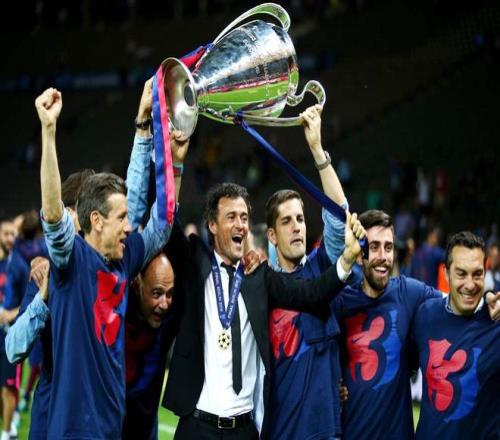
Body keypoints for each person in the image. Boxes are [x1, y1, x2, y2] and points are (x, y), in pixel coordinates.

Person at [162, 181, 366, 439]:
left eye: (244, 217)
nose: (240, 224)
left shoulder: (259, 277)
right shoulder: (194, 264)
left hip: (244, 431)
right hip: (197, 427)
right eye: (231, 217)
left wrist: (346, 259)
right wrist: (176, 166)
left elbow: (311, 294)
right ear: (212, 225)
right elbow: (166, 223)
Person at [35, 85, 174, 439]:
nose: (129, 226)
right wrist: (49, 132)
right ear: (96, 221)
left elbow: (159, 222)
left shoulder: (124, 260)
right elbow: (53, 214)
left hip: (111, 429)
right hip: (72, 432)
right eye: (121, 219)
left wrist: (150, 132)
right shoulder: (71, 260)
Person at [329, 210, 500, 439]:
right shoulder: (341, 302)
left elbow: (459, 299)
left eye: (389, 247)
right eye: (374, 247)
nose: (383, 256)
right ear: (359, 255)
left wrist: (488, 299)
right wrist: (332, 384)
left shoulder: (411, 293)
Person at [265, 105, 350, 439]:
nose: (296, 227)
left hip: (326, 432)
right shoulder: (262, 285)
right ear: (272, 235)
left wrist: (317, 151)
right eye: (286, 222)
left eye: (300, 219)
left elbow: (339, 218)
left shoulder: (321, 266)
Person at [412, 231, 500, 439]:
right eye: (461, 273)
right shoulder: (425, 315)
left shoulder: (496, 324)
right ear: (446, 274)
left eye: (477, 274)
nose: (470, 284)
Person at [0, 217, 29, 440]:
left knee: (8, 388)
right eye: (6, 234)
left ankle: (6, 433)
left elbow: (30, 301)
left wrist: (10, 314)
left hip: (10, 337)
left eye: (13, 234)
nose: (10, 238)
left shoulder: (19, 266)